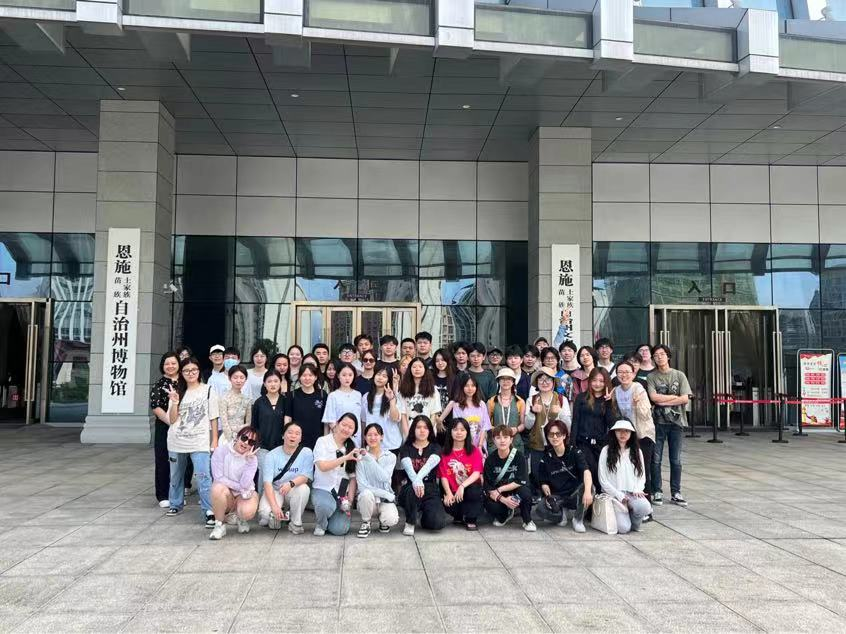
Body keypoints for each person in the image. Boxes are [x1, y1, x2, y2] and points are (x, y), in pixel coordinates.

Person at [164, 357, 218, 527]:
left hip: (200, 440)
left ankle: (209, 510)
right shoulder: (177, 392)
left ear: (199, 371)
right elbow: (172, 420)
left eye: (194, 370)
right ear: (181, 373)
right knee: (176, 475)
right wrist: (174, 402)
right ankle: (175, 504)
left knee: (203, 476)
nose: (190, 373)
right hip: (177, 440)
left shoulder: (208, 390)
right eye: (186, 371)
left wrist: (214, 440)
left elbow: (213, 417)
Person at [647, 344, 692, 507]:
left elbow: (685, 398)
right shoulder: (651, 376)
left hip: (676, 423)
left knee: (676, 459)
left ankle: (676, 492)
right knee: (656, 459)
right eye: (656, 355)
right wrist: (675, 398)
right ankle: (657, 491)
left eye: (662, 354)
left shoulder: (679, 375)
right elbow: (653, 398)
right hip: (658, 422)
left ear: (668, 356)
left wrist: (664, 399)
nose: (659, 357)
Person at [535, 420, 593, 532]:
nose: (555, 437)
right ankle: (561, 514)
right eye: (551, 434)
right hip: (558, 497)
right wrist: (545, 486)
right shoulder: (546, 458)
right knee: (540, 509)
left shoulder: (574, 451)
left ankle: (578, 519)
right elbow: (543, 480)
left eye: (558, 434)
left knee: (590, 487)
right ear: (547, 437)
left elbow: (586, 471)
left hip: (575, 494)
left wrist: (587, 491)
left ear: (564, 435)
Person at [258, 421, 314, 535]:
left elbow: (306, 477)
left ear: (300, 438)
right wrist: (274, 506)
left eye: (297, 434)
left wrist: (291, 484)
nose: (293, 436)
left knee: (304, 489)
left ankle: (295, 522)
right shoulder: (271, 455)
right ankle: (280, 513)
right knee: (266, 513)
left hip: (293, 489)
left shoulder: (306, 452)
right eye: (290, 432)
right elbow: (267, 483)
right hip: (276, 490)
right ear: (283, 435)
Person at [613, 360, 655, 510]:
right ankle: (633, 504)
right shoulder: (616, 390)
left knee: (643, 470)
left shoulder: (638, 389)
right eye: (620, 372)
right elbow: (616, 412)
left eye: (627, 372)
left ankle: (647, 508)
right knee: (630, 470)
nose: (624, 375)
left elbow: (646, 415)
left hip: (643, 435)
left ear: (633, 374)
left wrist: (637, 405)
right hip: (628, 436)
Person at [524, 367, 572, 498]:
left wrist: (560, 413)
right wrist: (532, 412)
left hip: (556, 443)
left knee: (556, 471)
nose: (544, 382)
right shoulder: (531, 400)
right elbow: (527, 426)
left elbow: (568, 426)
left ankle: (555, 497)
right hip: (537, 443)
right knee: (536, 471)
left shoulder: (561, 399)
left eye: (548, 380)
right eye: (541, 379)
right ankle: (540, 496)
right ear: (537, 382)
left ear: (554, 382)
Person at [599, 420, 652, 534]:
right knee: (623, 528)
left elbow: (642, 475)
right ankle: (625, 516)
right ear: (614, 432)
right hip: (614, 494)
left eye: (627, 431)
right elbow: (603, 480)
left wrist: (638, 488)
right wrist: (619, 495)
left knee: (645, 507)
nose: (623, 434)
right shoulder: (606, 451)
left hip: (632, 492)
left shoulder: (637, 451)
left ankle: (633, 520)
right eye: (619, 430)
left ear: (631, 433)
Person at [570, 367, 617, 492]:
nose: (597, 384)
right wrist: (572, 444)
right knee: (591, 471)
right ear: (590, 381)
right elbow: (575, 421)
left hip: (601, 443)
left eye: (601, 381)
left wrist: (608, 403)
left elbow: (612, 424)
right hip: (583, 442)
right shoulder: (581, 397)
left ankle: (599, 499)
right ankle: (589, 498)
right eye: (594, 380)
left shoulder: (608, 400)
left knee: (601, 474)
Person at [311, 412, 359, 536]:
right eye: (344, 425)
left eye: (350, 427)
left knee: (340, 529)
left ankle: (329, 518)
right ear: (337, 424)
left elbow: (352, 477)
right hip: (323, 488)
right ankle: (321, 524)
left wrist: (350, 500)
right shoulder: (323, 441)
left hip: (341, 493)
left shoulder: (352, 447)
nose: (346, 429)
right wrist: (345, 458)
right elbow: (322, 467)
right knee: (325, 506)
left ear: (353, 432)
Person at [209, 426, 260, 540]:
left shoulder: (252, 459)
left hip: (244, 494)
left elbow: (245, 484)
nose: (246, 443)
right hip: (226, 492)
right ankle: (219, 525)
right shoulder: (221, 451)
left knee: (247, 511)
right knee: (217, 488)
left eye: (251, 442)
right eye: (244, 438)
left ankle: (240, 518)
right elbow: (218, 477)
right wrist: (239, 487)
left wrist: (249, 462)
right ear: (237, 437)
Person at [399, 415, 446, 535]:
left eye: (425, 427)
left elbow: (429, 466)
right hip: (410, 488)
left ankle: (422, 515)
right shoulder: (406, 448)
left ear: (430, 430)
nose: (422, 430)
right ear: (413, 429)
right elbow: (409, 469)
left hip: (430, 488)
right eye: (418, 427)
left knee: (437, 523)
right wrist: (416, 482)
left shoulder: (435, 447)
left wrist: (419, 480)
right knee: (413, 489)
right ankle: (410, 522)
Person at [483, 424, 535, 531]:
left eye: (505, 437)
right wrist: (504, 500)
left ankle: (527, 520)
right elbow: (488, 487)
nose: (502, 441)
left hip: (515, 491)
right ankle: (504, 515)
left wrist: (500, 489)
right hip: (499, 494)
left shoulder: (519, 456)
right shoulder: (490, 460)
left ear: (511, 439)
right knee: (490, 504)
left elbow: (521, 481)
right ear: (494, 440)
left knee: (525, 493)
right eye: (498, 437)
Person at [438, 418, 485, 531]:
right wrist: (448, 493)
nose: (459, 432)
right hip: (453, 490)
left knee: (473, 491)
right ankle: (458, 515)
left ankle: (471, 519)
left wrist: (462, 486)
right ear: (450, 431)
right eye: (455, 429)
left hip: (470, 488)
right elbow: (443, 476)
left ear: (467, 432)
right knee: (449, 503)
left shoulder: (474, 451)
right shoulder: (444, 452)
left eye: (462, 430)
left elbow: (477, 473)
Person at [356, 423, 400, 537]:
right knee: (365, 493)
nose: (373, 438)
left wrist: (369, 458)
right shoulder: (360, 458)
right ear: (365, 437)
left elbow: (384, 477)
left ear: (382, 437)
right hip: (368, 502)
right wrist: (386, 494)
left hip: (384, 501)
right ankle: (366, 522)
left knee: (391, 519)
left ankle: (383, 520)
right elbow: (362, 486)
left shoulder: (390, 456)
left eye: (376, 434)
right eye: (369, 435)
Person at [150, 351, 180, 508]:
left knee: (181, 461)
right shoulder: (159, 384)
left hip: (184, 427)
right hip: (165, 426)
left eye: (173, 363)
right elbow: (155, 406)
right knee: (163, 459)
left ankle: (177, 493)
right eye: (167, 363)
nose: (170, 366)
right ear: (162, 366)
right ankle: (163, 494)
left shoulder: (184, 382)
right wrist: (171, 421)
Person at [250, 369, 290, 485]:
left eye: (276, 381)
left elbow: (289, 424)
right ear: (264, 383)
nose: (273, 384)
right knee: (264, 474)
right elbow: (254, 426)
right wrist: (254, 446)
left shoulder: (286, 401)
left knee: (279, 475)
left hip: (281, 446)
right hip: (262, 446)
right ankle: (262, 495)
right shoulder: (259, 402)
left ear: (280, 383)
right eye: (269, 381)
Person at [441, 374, 491, 451]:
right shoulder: (457, 406)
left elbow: (485, 427)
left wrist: (480, 446)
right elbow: (458, 426)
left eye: (473, 385)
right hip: (463, 446)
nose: (470, 388)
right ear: (462, 387)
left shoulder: (482, 404)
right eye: (467, 386)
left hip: (480, 446)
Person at [398, 357, 442, 440]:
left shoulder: (433, 390)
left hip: (427, 434)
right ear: (410, 369)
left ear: (425, 369)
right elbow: (403, 415)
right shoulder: (403, 390)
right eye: (414, 367)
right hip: (409, 430)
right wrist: (408, 436)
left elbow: (434, 414)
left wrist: (427, 432)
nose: (417, 369)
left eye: (420, 367)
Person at [361, 364, 402, 452]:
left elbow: (395, 418)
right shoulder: (366, 397)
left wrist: (391, 399)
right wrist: (363, 442)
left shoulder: (394, 396)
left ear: (389, 379)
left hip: (391, 444)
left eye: (384, 376)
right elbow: (364, 421)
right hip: (372, 443)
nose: (380, 378)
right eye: (378, 374)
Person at [322, 362, 364, 445]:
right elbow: (330, 420)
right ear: (338, 376)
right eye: (344, 375)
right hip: (338, 439)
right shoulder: (333, 395)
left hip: (356, 438)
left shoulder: (358, 395)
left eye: (350, 375)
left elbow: (361, 419)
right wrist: (343, 435)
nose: (347, 378)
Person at [487, 368, 525, 455]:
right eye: (502, 379)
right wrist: (495, 430)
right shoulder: (491, 401)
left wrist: (516, 429)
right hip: (497, 443)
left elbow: (523, 424)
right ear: (498, 381)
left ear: (513, 382)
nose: (505, 381)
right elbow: (487, 423)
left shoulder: (520, 401)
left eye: (509, 379)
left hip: (515, 442)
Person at [288, 364, 325, 450]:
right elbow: (288, 418)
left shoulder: (322, 395)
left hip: (318, 439)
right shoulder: (292, 395)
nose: (307, 378)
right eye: (304, 375)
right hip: (297, 439)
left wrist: (325, 439)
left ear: (315, 377)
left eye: (310, 375)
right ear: (299, 377)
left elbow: (326, 420)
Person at [218, 365, 252, 446]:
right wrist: (232, 440)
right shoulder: (224, 398)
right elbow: (224, 422)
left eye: (242, 377)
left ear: (245, 379)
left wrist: (240, 436)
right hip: (227, 439)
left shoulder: (247, 399)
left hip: (243, 438)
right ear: (229, 378)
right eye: (235, 377)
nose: (238, 380)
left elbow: (248, 423)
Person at [431, 348, 456, 414]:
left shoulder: (455, 378)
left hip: (451, 416)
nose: (440, 363)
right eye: (437, 361)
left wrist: (441, 418)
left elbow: (454, 400)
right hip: (433, 415)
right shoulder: (430, 378)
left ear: (448, 360)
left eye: (443, 360)